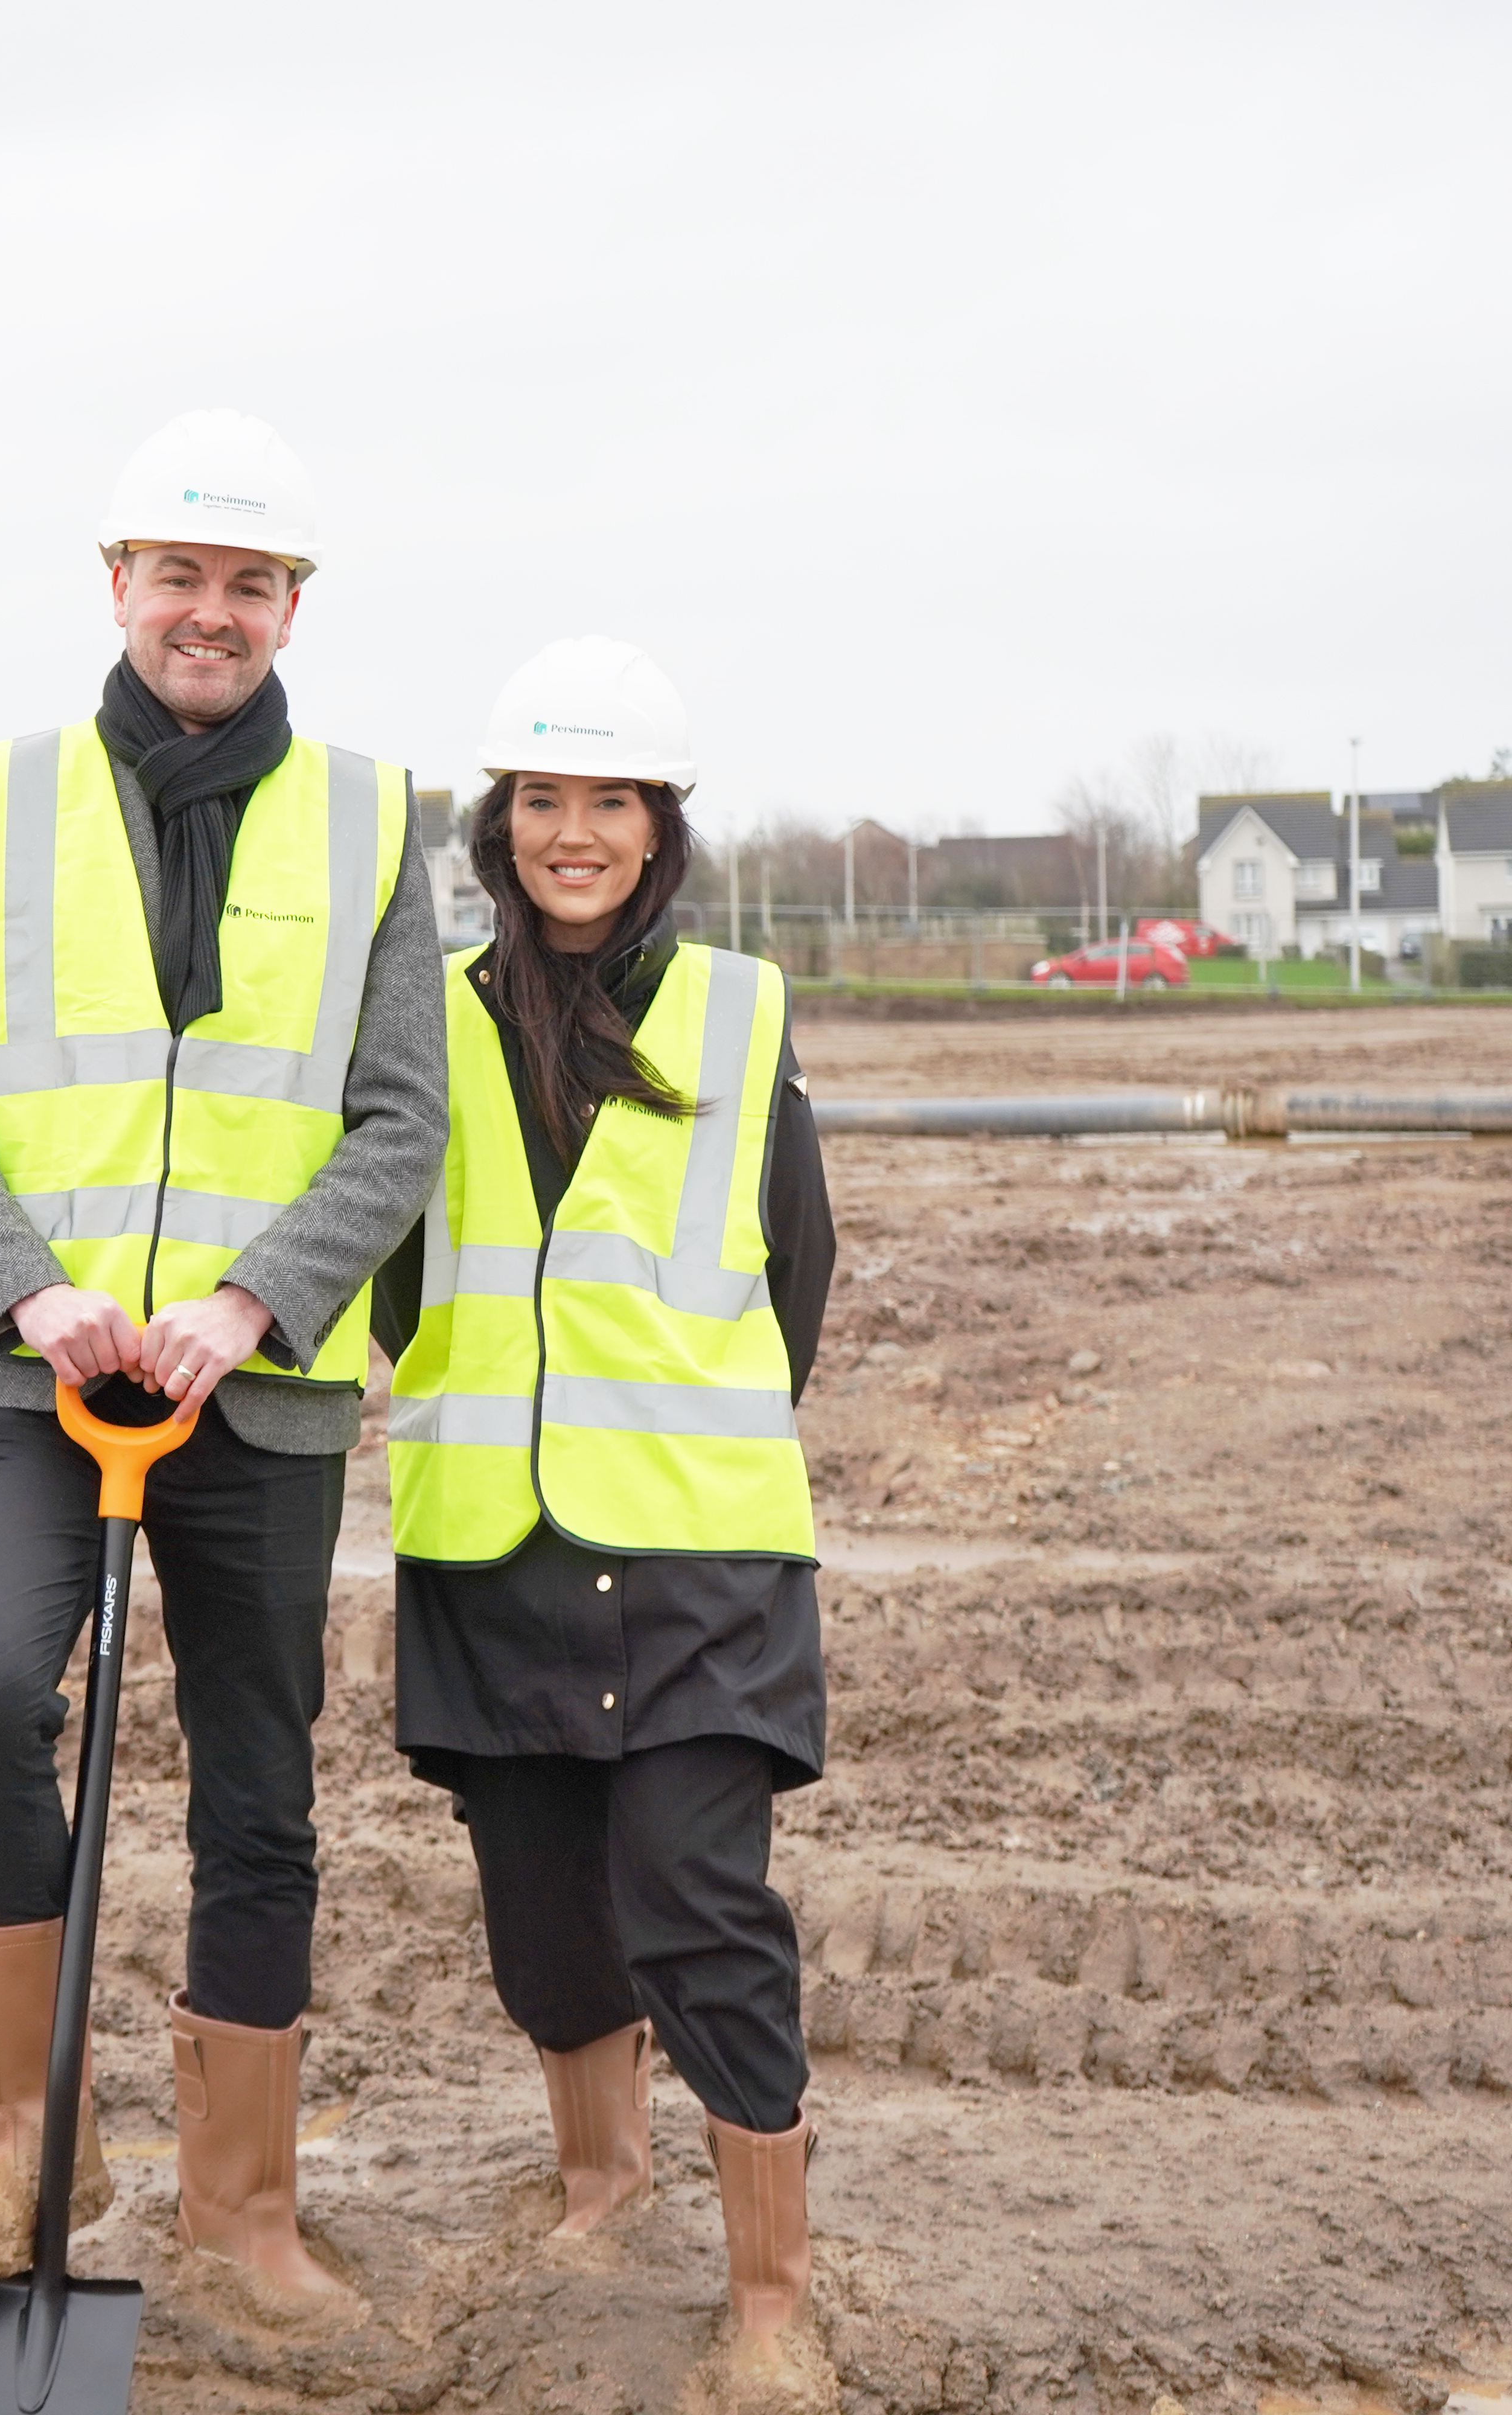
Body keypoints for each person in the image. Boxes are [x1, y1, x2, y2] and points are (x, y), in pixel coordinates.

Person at [0, 409, 447, 2322]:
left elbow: (399, 1119)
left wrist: (255, 1303)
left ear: (294, 606)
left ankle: (241, 2212)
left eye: (250, 583)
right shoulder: (6, 796)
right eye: (181, 575)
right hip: (42, 1374)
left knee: (257, 1788)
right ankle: (16, 2148)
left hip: (257, 1392)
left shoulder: (374, 819)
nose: (214, 611)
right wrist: (30, 1293)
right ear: (117, 585)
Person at [371, 636, 836, 2409]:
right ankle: (600, 2185)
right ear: (502, 822)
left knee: (694, 1893)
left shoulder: (739, 1010)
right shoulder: (428, 1010)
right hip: (497, 1536)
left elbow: (797, 1271)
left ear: (661, 827)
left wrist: (673, 1415)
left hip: (700, 1540)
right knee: (547, 1916)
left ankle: (772, 2299)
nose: (576, 833)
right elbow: (397, 1269)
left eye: (612, 802)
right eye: (544, 799)